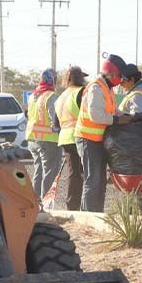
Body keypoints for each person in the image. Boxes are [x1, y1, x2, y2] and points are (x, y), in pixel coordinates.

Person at [74, 54, 133, 212]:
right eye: (119, 76)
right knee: (92, 180)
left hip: (99, 140)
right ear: (111, 74)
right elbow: (96, 115)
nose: (120, 80)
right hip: (87, 140)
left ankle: (98, 214)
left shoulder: (108, 89)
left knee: (100, 181)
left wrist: (126, 116)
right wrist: (117, 120)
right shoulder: (96, 87)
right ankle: (88, 216)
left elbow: (113, 110)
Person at [52, 65, 88, 211]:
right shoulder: (81, 92)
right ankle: (74, 206)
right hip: (80, 136)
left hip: (65, 138)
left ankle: (73, 205)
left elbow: (55, 125)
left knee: (74, 173)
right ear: (80, 78)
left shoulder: (61, 97)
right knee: (82, 174)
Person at [25, 69, 61, 199]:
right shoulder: (51, 96)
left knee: (38, 171)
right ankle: (46, 203)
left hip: (32, 139)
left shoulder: (33, 96)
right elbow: (56, 121)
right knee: (50, 172)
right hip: (48, 140)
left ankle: (36, 202)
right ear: (52, 81)